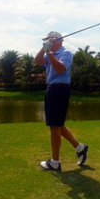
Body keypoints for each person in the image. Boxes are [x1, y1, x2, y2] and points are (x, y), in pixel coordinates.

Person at [34, 31, 88, 171]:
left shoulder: (66, 53)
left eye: (48, 40)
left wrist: (49, 52)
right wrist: (44, 48)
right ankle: (79, 147)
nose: (47, 42)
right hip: (51, 89)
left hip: (60, 89)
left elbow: (59, 69)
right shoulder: (48, 54)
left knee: (54, 126)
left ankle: (55, 162)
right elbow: (37, 60)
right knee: (56, 124)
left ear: (56, 40)